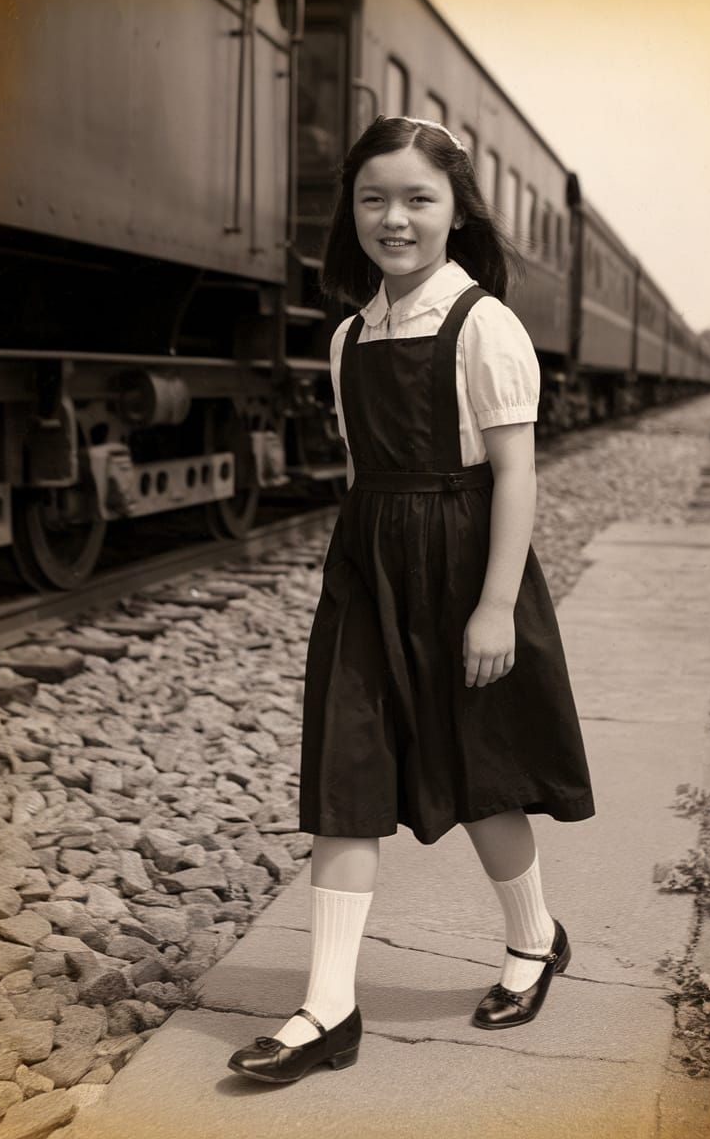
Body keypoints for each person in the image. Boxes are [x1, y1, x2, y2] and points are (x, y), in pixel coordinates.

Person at [228, 116, 594, 1085]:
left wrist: (492, 607)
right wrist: (363, 568)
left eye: (418, 200)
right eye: (374, 200)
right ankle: (327, 1008)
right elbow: (363, 472)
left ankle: (535, 937)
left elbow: (516, 476)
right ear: (350, 214)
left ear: (455, 212)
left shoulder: (485, 325)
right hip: (369, 565)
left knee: (481, 776)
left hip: (466, 563)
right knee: (343, 773)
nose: (395, 219)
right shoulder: (352, 333)